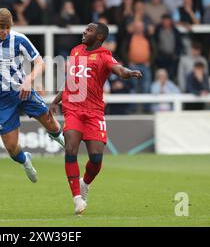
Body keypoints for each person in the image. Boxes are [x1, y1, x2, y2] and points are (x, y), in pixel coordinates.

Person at [48, 22, 142, 215]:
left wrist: (128, 73)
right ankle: (76, 199)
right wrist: (56, 101)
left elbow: (118, 69)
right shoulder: (75, 51)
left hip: (94, 111)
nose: (84, 31)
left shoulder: (104, 56)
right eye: (85, 29)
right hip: (73, 108)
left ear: (99, 37)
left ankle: (85, 184)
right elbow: (71, 81)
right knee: (71, 149)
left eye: (89, 30)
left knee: (96, 158)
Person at [0, 8, 65, 183]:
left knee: (50, 122)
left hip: (23, 90)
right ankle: (25, 160)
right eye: (2, 28)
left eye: (8, 28)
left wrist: (29, 80)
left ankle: (66, 145)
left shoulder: (18, 39)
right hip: (0, 98)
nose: (6, 32)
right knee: (11, 148)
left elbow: (40, 62)